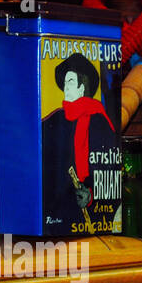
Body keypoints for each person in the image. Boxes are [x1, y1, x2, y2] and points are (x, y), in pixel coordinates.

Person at [41, 52, 114, 231]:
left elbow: (108, 172)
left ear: (82, 87)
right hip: (54, 213)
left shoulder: (100, 122)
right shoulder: (54, 120)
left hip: (87, 217)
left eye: (70, 82)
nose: (65, 87)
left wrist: (91, 195)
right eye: (65, 83)